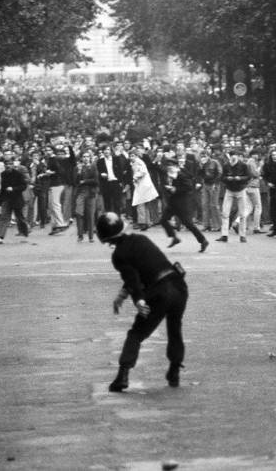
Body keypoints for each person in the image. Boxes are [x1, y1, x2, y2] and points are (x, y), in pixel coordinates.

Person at [96, 211, 188, 392]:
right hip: (178, 286)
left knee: (136, 334)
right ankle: (174, 370)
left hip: (158, 293)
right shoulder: (141, 239)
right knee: (175, 328)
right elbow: (144, 268)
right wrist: (122, 295)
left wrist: (139, 301)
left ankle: (123, 375)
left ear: (104, 238)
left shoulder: (118, 255)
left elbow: (133, 279)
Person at [160, 159, 209, 252]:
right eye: (168, 166)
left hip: (182, 203)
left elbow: (188, 187)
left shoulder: (181, 175)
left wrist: (175, 189)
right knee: (163, 220)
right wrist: (168, 188)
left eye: (171, 166)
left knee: (188, 224)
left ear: (176, 166)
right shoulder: (169, 175)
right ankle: (174, 237)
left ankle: (203, 240)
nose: (168, 167)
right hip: (172, 203)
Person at [217, 149, 251, 243]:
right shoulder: (226, 166)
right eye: (231, 155)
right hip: (229, 190)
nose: (233, 157)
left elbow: (248, 176)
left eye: (235, 155)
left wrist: (240, 178)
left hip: (241, 190)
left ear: (238, 156)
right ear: (229, 156)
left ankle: (242, 235)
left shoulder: (244, 165)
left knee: (243, 214)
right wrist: (227, 178)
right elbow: (222, 177)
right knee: (225, 213)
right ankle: (224, 235)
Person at [0, 153, 29, 244]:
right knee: (4, 218)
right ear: (4, 165)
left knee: (19, 217)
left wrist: (13, 188)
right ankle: (1, 237)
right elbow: (3, 188)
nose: (8, 166)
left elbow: (23, 186)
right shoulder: (3, 174)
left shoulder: (18, 174)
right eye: (6, 164)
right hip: (6, 199)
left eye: (10, 164)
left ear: (13, 165)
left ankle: (25, 231)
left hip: (17, 198)